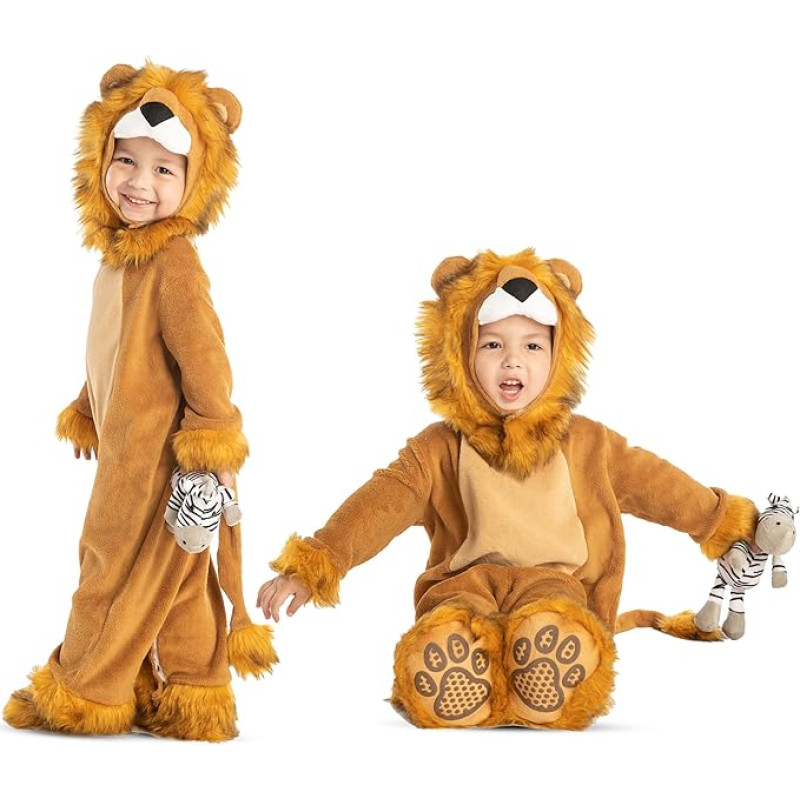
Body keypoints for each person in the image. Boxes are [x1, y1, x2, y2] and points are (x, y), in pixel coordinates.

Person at [258, 248, 758, 730]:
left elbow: (660, 486)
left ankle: (549, 664)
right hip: (464, 584)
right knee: (454, 620)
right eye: (492, 344)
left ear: (559, 354)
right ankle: (456, 667)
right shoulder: (439, 448)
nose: (512, 362)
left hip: (554, 584)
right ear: (459, 352)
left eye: (532, 346)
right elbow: (381, 503)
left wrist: (722, 521)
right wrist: (316, 564)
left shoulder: (590, 444)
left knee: (553, 617)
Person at [3, 62, 276, 742]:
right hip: (131, 450)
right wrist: (87, 405)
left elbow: (204, 357)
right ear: (100, 157)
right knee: (176, 581)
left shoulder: (172, 260)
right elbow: (121, 351)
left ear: (195, 182)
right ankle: (191, 696)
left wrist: (213, 439)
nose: (138, 182)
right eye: (126, 160)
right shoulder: (121, 259)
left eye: (163, 170)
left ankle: (84, 690)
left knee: (109, 566)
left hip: (155, 462)